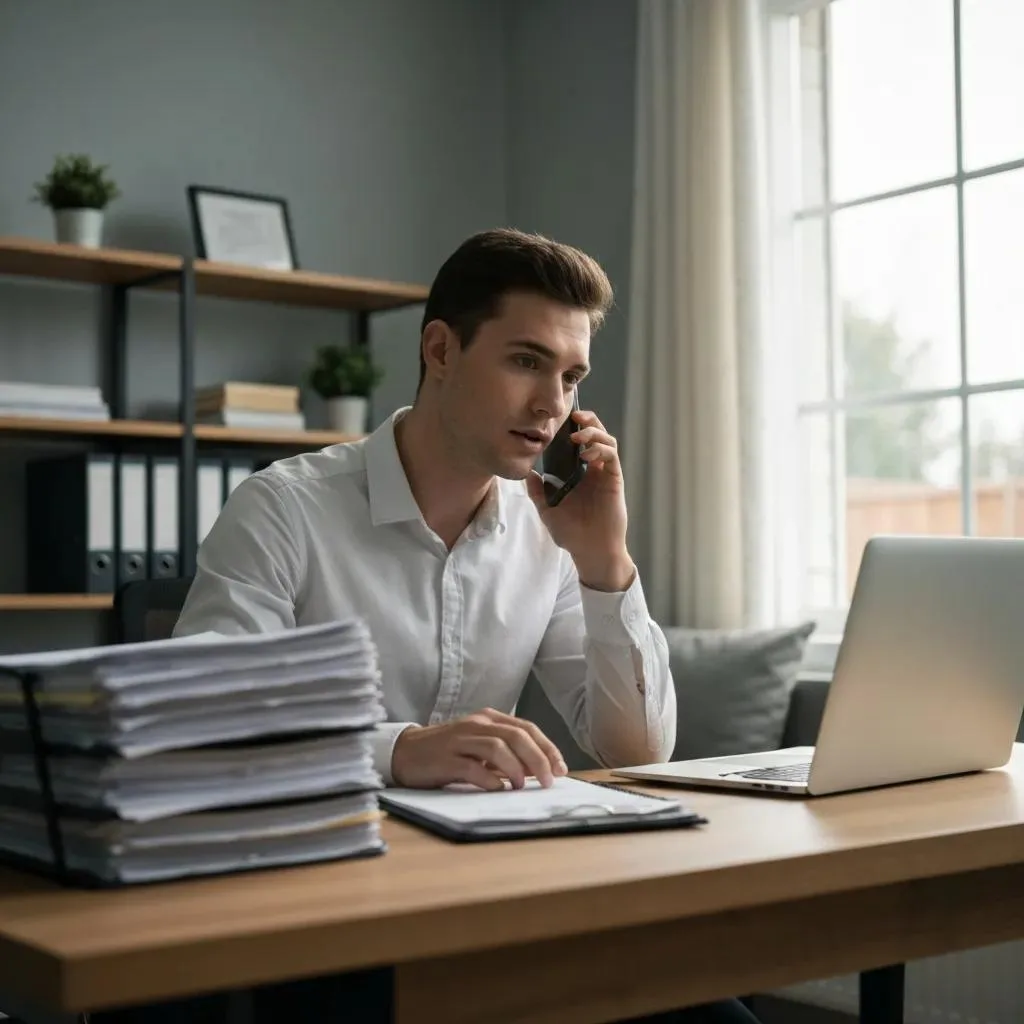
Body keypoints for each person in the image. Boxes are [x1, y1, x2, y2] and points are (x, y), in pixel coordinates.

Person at [172, 228, 761, 1024]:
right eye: (526, 361)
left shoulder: (546, 531)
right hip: (323, 911)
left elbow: (636, 749)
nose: (554, 404)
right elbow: (198, 720)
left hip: (499, 897)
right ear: (441, 351)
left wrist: (605, 562)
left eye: (572, 375)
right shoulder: (283, 509)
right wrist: (399, 749)